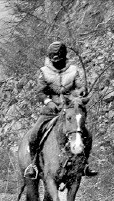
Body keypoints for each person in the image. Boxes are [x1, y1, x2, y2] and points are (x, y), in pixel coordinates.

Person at [24, 41, 97, 178]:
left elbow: (79, 85)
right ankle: (33, 165)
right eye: (54, 59)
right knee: (33, 134)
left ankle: (84, 164)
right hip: (51, 110)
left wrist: (81, 91)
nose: (56, 61)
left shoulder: (74, 70)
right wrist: (48, 102)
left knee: (87, 135)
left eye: (59, 59)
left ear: (64, 57)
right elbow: (39, 93)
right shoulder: (43, 72)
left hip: (70, 108)